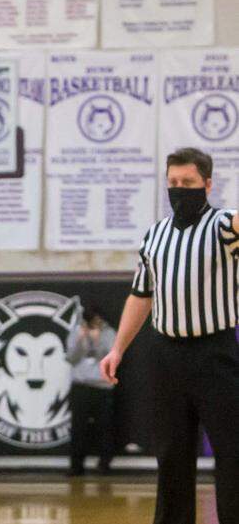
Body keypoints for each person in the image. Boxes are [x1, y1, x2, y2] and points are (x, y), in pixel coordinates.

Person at [100, 147, 239, 524]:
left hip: (216, 353)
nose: (179, 189)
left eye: (188, 183)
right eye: (173, 183)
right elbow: (141, 295)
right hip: (166, 356)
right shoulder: (155, 235)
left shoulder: (224, 226)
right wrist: (117, 349)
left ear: (207, 184)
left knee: (232, 452)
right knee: (172, 455)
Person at [66, 306, 116, 476]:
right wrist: (81, 340)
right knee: (78, 428)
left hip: (102, 387)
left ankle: (104, 464)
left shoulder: (109, 333)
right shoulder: (77, 331)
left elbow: (111, 358)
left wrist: (96, 342)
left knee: (104, 428)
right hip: (81, 386)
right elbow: (71, 358)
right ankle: (76, 465)